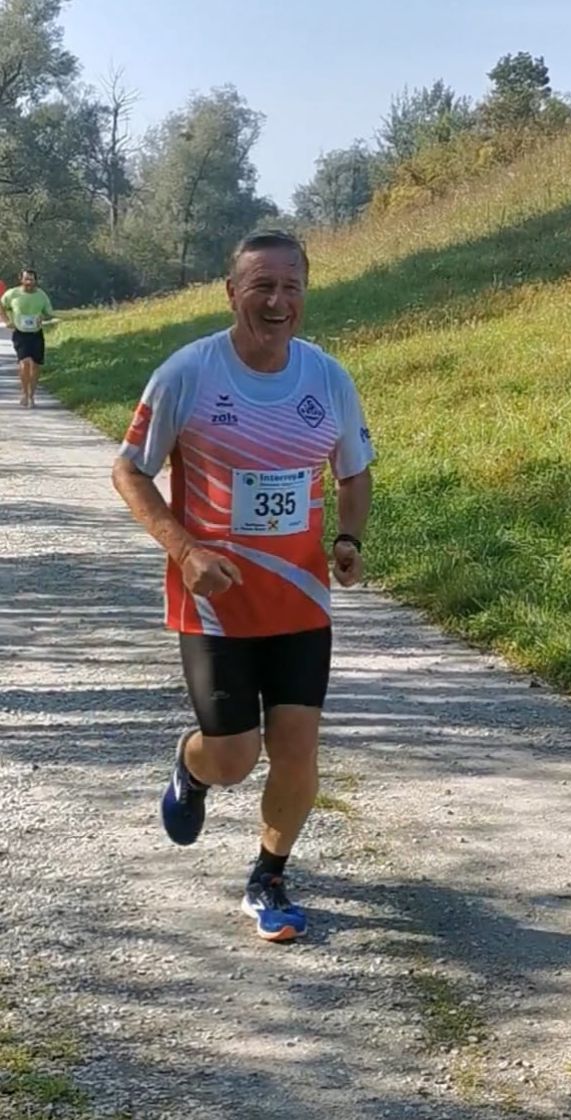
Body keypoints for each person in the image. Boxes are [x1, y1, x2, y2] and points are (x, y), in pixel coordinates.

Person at [112, 229, 374, 942]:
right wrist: (184, 549)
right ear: (232, 293)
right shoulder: (188, 373)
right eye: (262, 286)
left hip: (300, 600)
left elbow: (353, 472)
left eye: (291, 286)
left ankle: (270, 876)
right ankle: (192, 767)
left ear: (305, 294)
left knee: (297, 748)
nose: (277, 301)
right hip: (215, 603)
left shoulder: (327, 378)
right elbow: (129, 469)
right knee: (233, 757)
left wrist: (349, 539)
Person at [0, 269, 55, 408]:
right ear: (21, 280)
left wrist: (43, 317)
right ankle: (24, 393)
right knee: (24, 363)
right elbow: (1, 305)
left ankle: (31, 395)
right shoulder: (13, 294)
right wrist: (6, 321)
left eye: (32, 279)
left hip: (36, 333)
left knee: (35, 365)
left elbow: (49, 313)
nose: (29, 282)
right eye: (26, 279)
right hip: (20, 333)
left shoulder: (41, 295)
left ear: (35, 280)